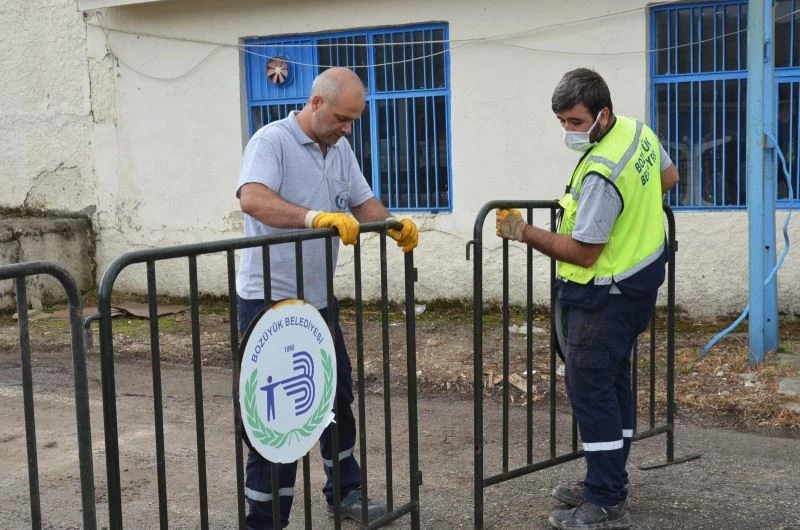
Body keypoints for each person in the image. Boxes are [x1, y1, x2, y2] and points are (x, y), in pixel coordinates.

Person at [496, 68, 679, 530]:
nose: (568, 131)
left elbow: (583, 249)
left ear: (603, 114)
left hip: (605, 296)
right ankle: (608, 477)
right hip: (638, 286)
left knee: (592, 393)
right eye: (562, 122)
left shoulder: (601, 173)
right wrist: (634, 211)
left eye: (575, 123)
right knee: (613, 385)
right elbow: (669, 177)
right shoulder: (637, 131)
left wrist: (524, 231)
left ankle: (606, 500)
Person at [236, 66, 419, 529]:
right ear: (315, 103)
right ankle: (265, 518)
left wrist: (394, 224)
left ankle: (346, 492)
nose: (347, 128)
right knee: (275, 414)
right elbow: (253, 199)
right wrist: (314, 217)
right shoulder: (271, 142)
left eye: (354, 120)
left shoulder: (339, 148)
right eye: (341, 117)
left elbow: (363, 202)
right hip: (269, 302)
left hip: (316, 300)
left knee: (335, 397)